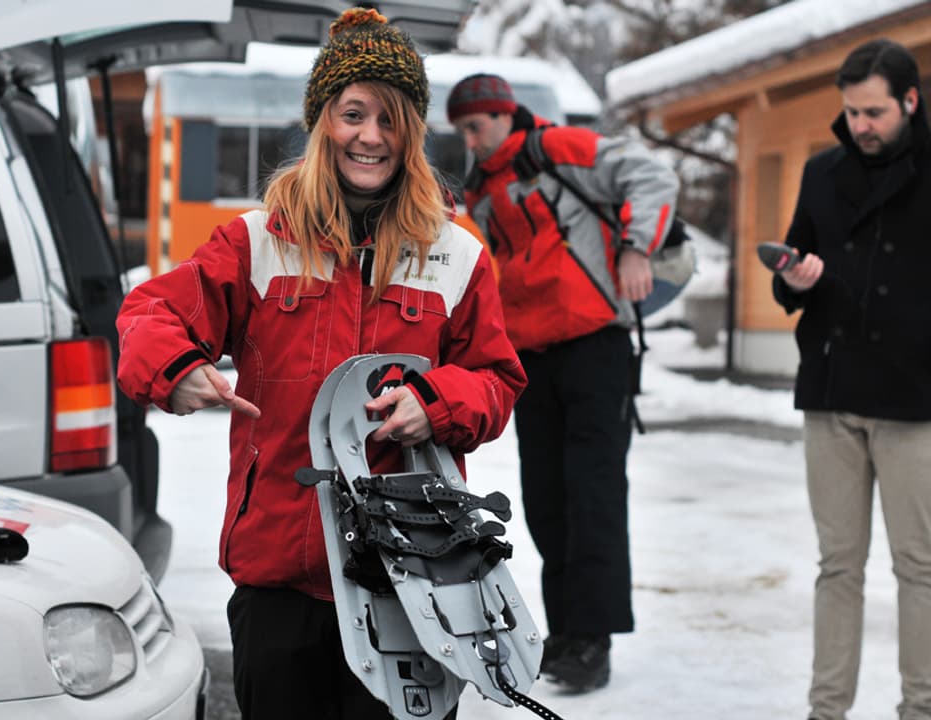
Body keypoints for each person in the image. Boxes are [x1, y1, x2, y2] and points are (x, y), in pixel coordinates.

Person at [115, 9, 527, 719]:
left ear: (412, 133)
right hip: (279, 575)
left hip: (413, 582)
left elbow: (496, 379)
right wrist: (174, 367)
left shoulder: (458, 254)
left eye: (390, 119)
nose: (370, 136)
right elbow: (149, 313)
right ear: (322, 123)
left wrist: (437, 402)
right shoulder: (253, 242)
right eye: (352, 114)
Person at [446, 73, 679, 691]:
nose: (472, 140)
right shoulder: (481, 188)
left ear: (504, 116)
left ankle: (594, 641)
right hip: (533, 359)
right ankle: (567, 632)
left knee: (593, 495)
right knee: (547, 500)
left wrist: (636, 248)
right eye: (463, 131)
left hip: (595, 347)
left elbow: (653, 176)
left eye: (478, 126)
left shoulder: (558, 146)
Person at [771, 39, 931, 720]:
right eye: (852, 112)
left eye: (873, 111)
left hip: (916, 398)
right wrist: (794, 277)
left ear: (909, 102)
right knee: (838, 567)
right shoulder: (822, 170)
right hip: (833, 392)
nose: (861, 124)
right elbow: (797, 264)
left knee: (919, 569)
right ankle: (826, 710)